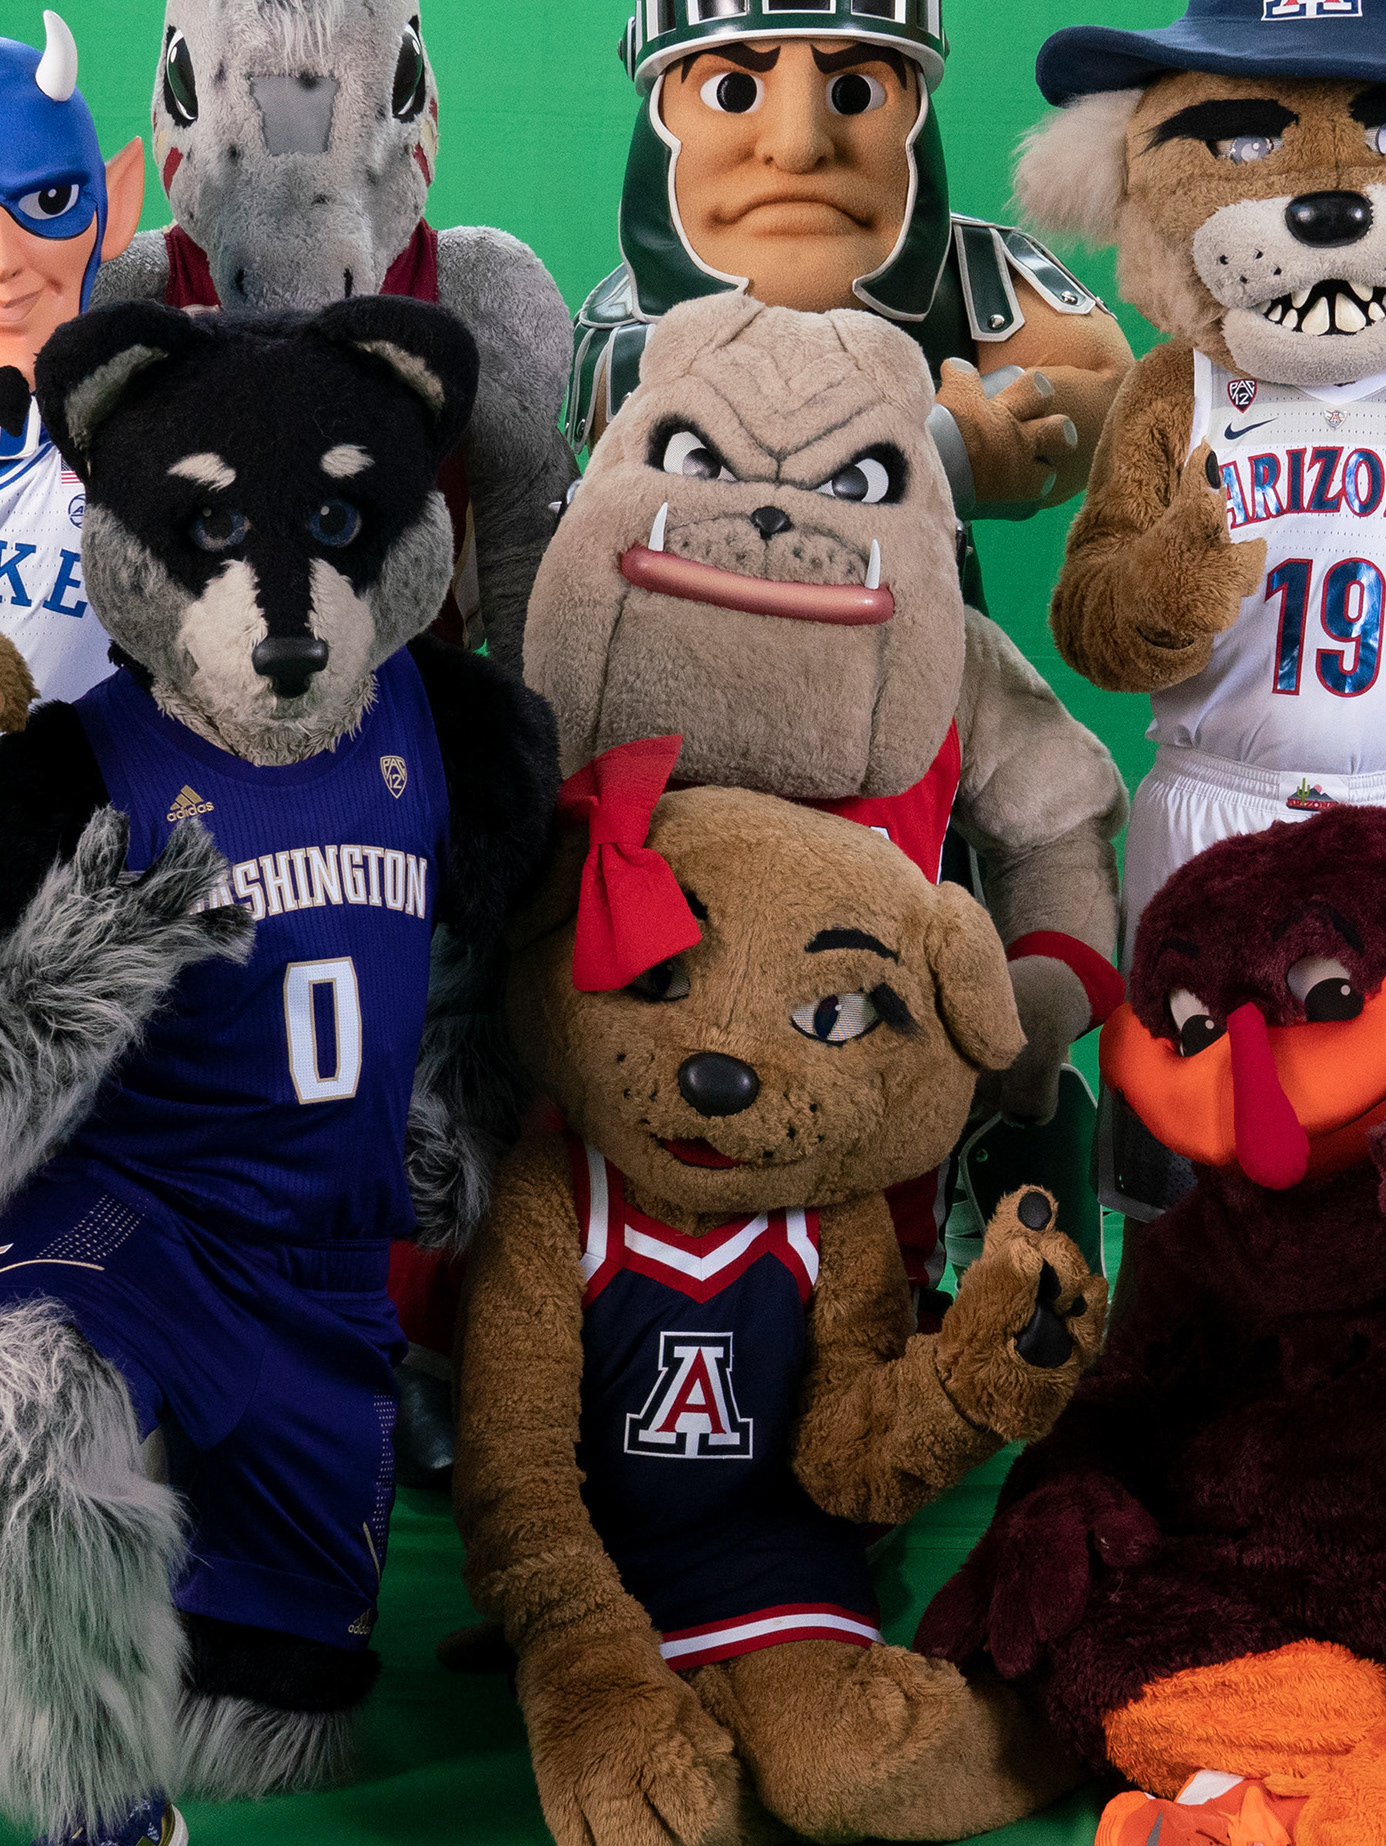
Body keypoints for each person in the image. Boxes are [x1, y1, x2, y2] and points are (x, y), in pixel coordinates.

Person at [0, 10, 143, 715]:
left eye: (47, 202)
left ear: (118, 203)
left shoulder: (154, 421)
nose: (4, 260)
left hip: (99, 775)